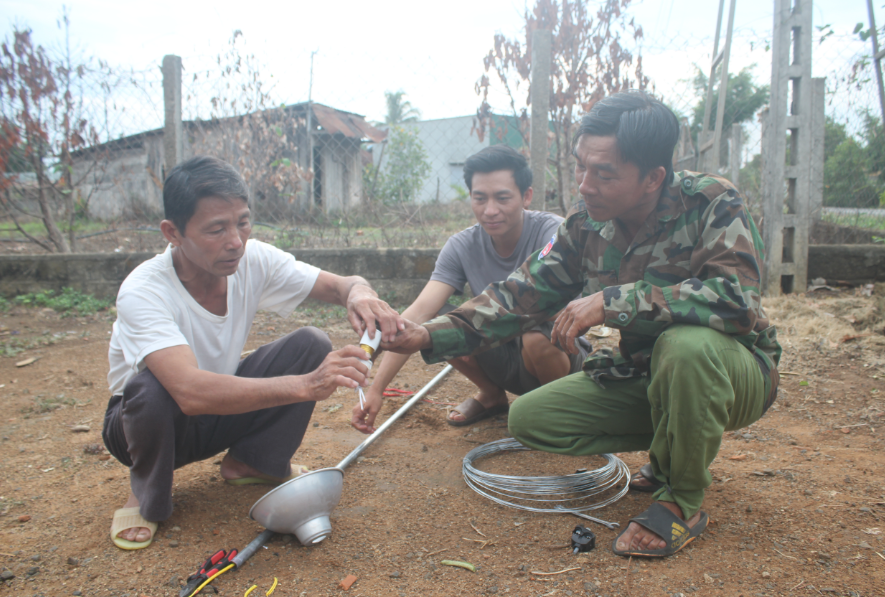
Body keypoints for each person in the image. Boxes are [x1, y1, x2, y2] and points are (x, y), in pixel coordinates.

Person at [382, 91, 781, 558]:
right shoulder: (585, 224)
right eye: (580, 167)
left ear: (653, 177)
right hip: (650, 376)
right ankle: (672, 448)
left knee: (686, 345)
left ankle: (680, 502)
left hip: (737, 374)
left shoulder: (712, 201)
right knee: (531, 418)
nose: (585, 185)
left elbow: (736, 300)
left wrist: (613, 301)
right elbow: (520, 295)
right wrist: (428, 334)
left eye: (604, 174)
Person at [102, 156, 403, 550]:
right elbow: (189, 392)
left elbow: (340, 285)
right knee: (150, 386)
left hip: (215, 413)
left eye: (242, 222)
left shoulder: (251, 258)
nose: (236, 241)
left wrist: (360, 293)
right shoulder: (144, 290)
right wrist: (307, 384)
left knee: (310, 344)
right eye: (216, 229)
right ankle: (144, 495)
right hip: (146, 426)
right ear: (172, 232)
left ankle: (252, 462)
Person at [351, 145, 585, 434]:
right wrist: (376, 388)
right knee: (437, 322)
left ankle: (560, 411)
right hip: (500, 353)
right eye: (479, 198)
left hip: (556, 355)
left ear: (527, 196)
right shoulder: (462, 246)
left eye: (502, 198)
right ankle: (491, 396)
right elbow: (420, 313)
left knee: (535, 335)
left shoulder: (553, 233)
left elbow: (554, 311)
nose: (490, 211)